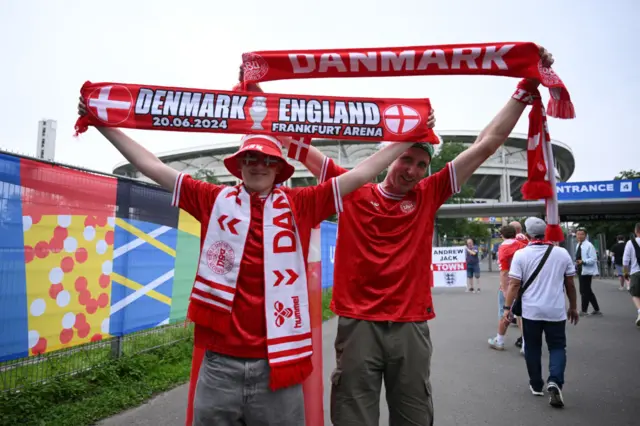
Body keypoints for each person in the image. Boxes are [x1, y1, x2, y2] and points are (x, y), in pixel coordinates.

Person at [77, 98, 435, 425]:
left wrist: (408, 138)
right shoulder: (211, 198)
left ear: (279, 168)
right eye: (251, 158)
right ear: (240, 164)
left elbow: (359, 175)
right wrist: (102, 122)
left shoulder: (301, 204)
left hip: (278, 364)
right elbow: (151, 165)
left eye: (268, 159)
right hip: (219, 364)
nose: (259, 165)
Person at [278, 46, 556, 426]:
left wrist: (524, 91)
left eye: (422, 165)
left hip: (410, 325)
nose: (412, 170)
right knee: (352, 416)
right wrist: (252, 104)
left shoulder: (428, 195)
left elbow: (486, 144)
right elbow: (294, 144)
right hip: (358, 324)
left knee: (414, 417)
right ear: (388, 157)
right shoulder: (351, 190)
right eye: (406, 159)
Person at [503, 217, 579, 408]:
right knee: (557, 347)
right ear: (546, 233)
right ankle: (555, 381)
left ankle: (536, 385)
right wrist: (573, 307)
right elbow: (570, 283)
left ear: (527, 234)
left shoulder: (521, 255)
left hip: (531, 312)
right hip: (555, 311)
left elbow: (514, 284)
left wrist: (507, 308)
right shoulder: (562, 253)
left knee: (533, 347)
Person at [488, 224, 526, 351]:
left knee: (504, 312)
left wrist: (504, 289)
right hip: (523, 283)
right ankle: (525, 344)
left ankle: (499, 340)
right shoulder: (522, 245)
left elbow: (504, 271)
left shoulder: (503, 248)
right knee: (521, 314)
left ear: (502, 235)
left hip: (510, 283)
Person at [574, 227, 602, 316]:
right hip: (580, 270)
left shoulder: (589, 245)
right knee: (587, 290)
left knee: (584, 290)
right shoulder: (578, 245)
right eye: (578, 234)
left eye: (582, 234)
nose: (579, 236)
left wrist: (583, 261)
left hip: (586, 270)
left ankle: (584, 310)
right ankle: (596, 309)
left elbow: (594, 259)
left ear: (585, 235)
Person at [622, 223, 640, 326]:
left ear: (636, 231)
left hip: (636, 272)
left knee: (635, 294)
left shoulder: (630, 243)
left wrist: (625, 273)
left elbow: (625, 261)